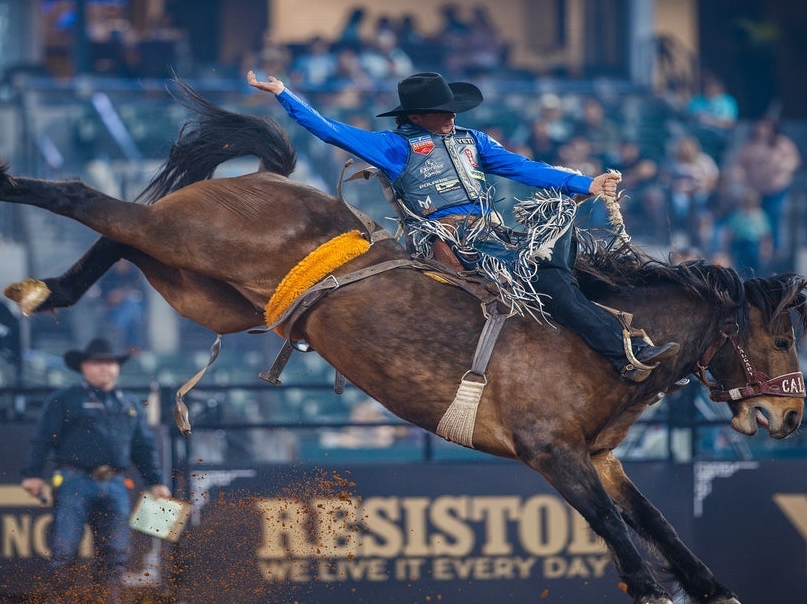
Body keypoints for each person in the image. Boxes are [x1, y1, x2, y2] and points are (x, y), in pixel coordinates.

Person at [246, 69, 679, 382]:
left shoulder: (474, 141)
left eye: (451, 109)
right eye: (441, 111)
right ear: (416, 116)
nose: (451, 116)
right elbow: (330, 130)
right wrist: (285, 93)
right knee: (553, 285)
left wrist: (586, 183)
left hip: (492, 233)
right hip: (451, 240)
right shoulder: (394, 148)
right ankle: (626, 355)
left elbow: (520, 167)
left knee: (569, 265)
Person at [20, 338, 171, 604]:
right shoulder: (65, 399)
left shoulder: (130, 404)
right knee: (64, 550)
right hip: (74, 479)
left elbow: (143, 448)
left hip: (114, 483)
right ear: (84, 367)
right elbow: (43, 440)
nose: (106, 368)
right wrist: (32, 474)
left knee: (115, 552)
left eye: (110, 363)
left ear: (117, 368)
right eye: (99, 363)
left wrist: (156, 481)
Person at [728, 117, 800, 256]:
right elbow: (739, 164)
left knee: (773, 216)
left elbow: (793, 160)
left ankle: (774, 248)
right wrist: (738, 175)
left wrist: (784, 166)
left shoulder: (782, 144)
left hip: (776, 189)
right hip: (755, 191)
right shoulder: (750, 145)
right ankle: (756, 249)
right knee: (757, 220)